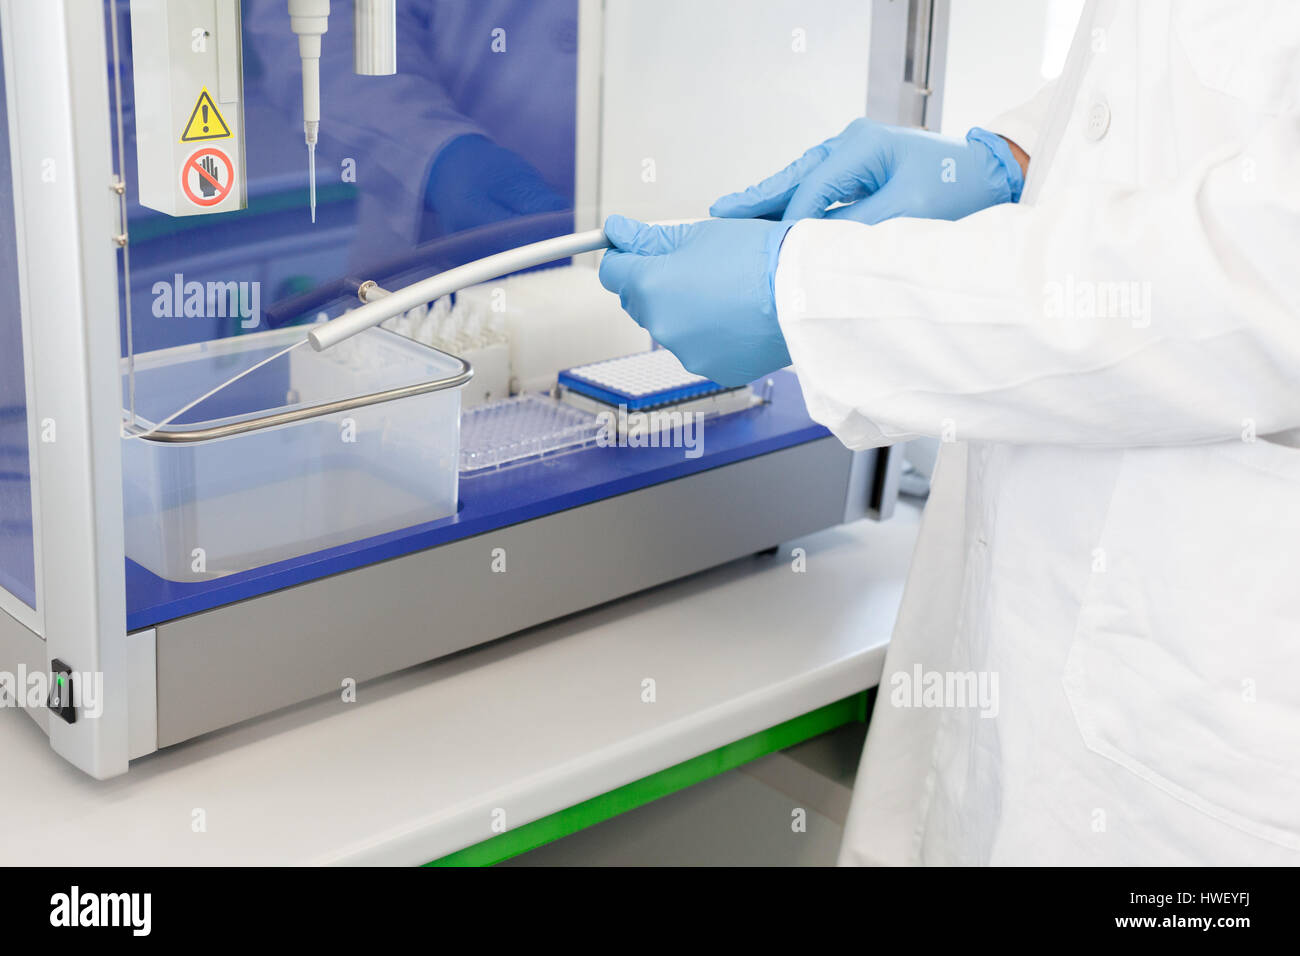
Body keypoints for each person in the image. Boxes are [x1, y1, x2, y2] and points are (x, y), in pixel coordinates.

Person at [598, 0, 1300, 864]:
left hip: (1208, 744)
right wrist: (1014, 158)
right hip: (1038, 637)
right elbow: (1189, 76)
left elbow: (1263, 271)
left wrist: (812, 294)